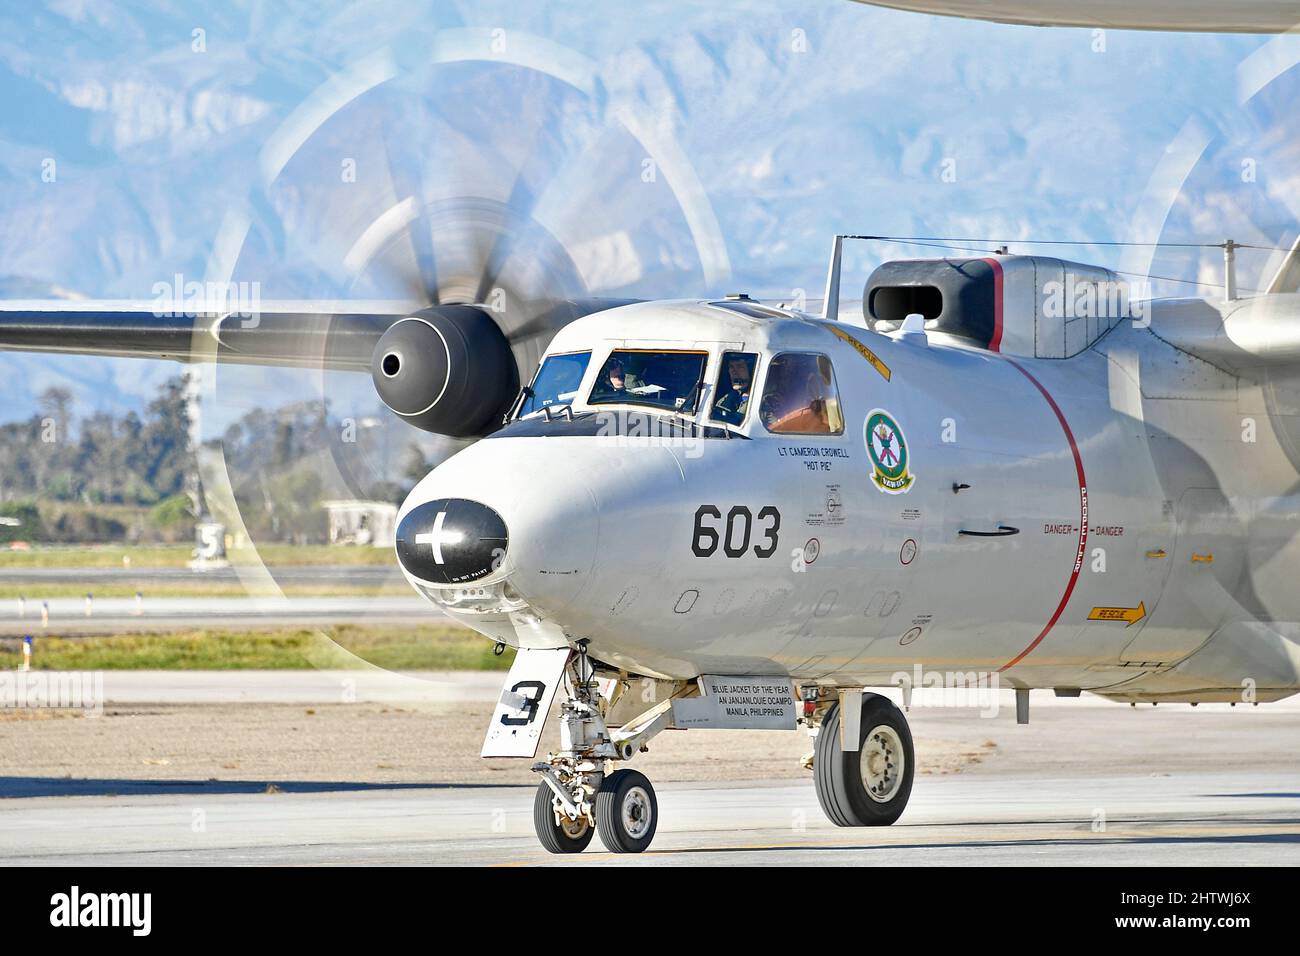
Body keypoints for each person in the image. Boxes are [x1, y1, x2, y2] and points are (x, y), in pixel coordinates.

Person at [712, 354, 754, 424]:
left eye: (739, 366)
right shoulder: (726, 398)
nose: (733, 371)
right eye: (731, 367)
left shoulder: (767, 403)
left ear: (752, 371)